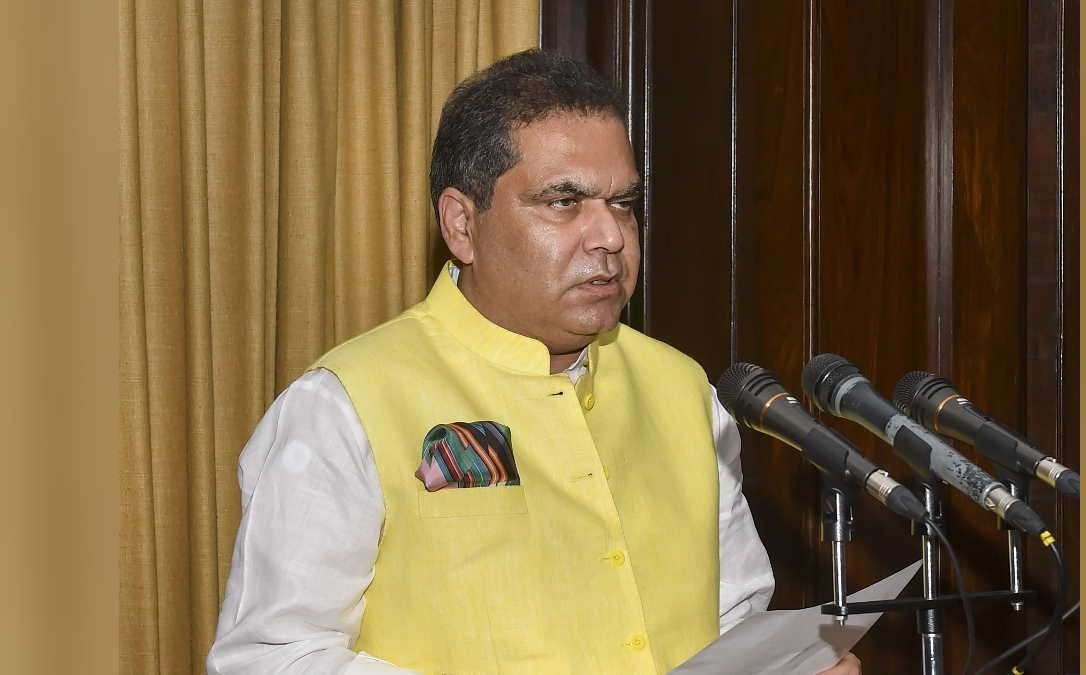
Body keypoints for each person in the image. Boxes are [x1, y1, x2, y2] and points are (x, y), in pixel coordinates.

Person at [207, 49, 861, 674]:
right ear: (462, 225)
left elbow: (733, 618)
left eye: (623, 204)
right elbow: (271, 658)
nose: (610, 236)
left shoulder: (682, 390)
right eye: (563, 202)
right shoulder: (347, 404)